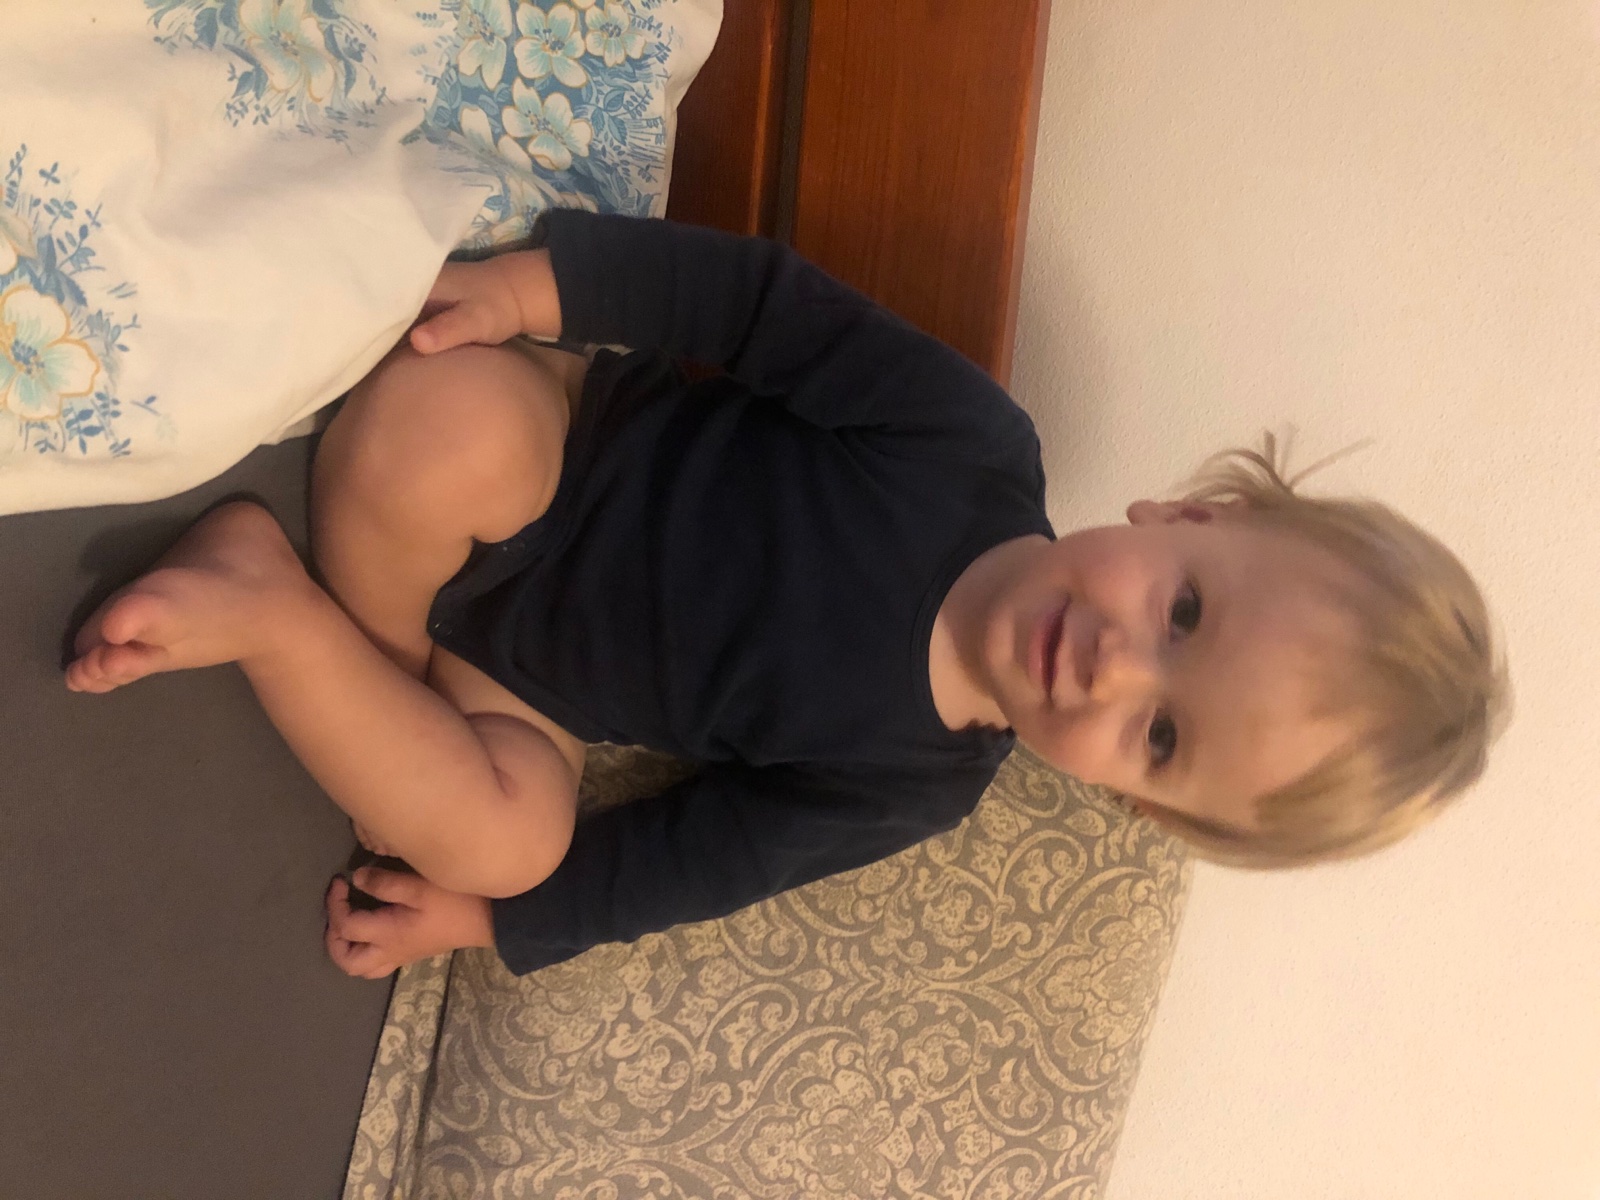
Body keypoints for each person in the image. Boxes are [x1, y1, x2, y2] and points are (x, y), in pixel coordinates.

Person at [63, 211, 1508, 980]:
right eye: (1185, 613)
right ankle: (348, 655)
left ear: (1134, 800)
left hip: (527, 687)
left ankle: (281, 616)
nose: (1117, 664)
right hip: (558, 461)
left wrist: (489, 925)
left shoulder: (913, 786)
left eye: (1163, 736)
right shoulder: (969, 448)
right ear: (1186, 519)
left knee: (503, 843)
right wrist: (540, 291)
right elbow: (757, 310)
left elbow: (692, 863)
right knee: (440, 427)